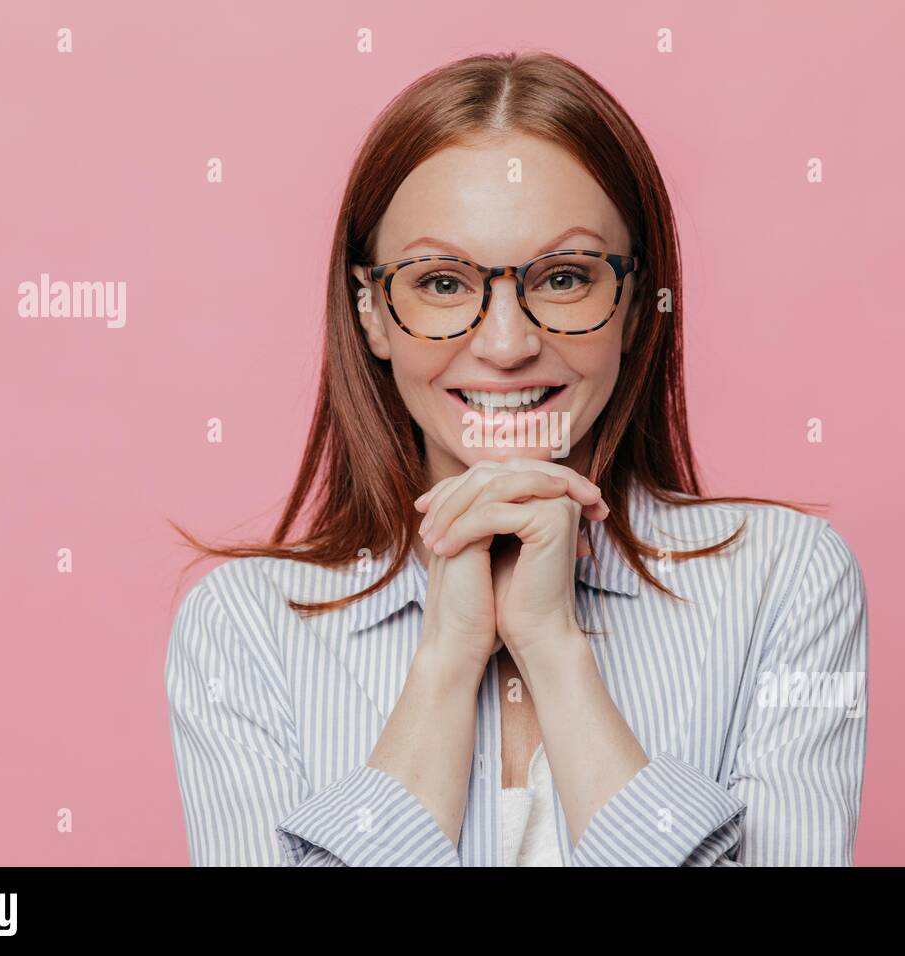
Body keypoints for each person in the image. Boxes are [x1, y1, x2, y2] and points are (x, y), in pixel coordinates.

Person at [165, 50, 869, 867]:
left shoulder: (786, 583)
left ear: (636, 304)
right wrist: (446, 660)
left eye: (565, 277)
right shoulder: (243, 628)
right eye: (442, 283)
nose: (506, 344)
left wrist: (552, 646)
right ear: (372, 315)